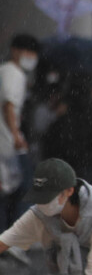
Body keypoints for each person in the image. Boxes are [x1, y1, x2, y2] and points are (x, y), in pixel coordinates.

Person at [0, 33, 40, 231]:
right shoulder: (13, 73)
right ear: (15, 51)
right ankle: (13, 233)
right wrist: (16, 135)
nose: (31, 56)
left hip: (6, 141)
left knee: (8, 188)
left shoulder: (6, 71)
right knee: (24, 185)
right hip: (8, 143)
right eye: (27, 51)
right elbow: (9, 105)